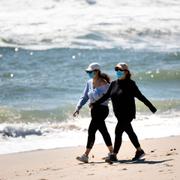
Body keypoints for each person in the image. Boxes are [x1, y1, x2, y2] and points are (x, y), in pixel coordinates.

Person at [90, 62, 157, 162]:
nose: (118, 72)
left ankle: (114, 155)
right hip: (119, 114)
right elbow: (106, 96)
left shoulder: (131, 84)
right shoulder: (113, 84)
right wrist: (95, 103)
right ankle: (139, 151)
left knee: (118, 131)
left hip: (128, 113)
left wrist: (151, 107)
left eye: (120, 70)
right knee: (129, 131)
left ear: (126, 72)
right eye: (116, 70)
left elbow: (140, 96)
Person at [73, 62, 113, 163]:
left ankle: (86, 155)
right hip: (94, 111)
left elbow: (110, 97)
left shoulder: (104, 83)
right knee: (103, 131)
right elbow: (85, 96)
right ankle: (112, 153)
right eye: (88, 72)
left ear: (97, 71)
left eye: (90, 71)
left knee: (91, 131)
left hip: (102, 110)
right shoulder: (89, 82)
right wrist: (78, 107)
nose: (88, 73)